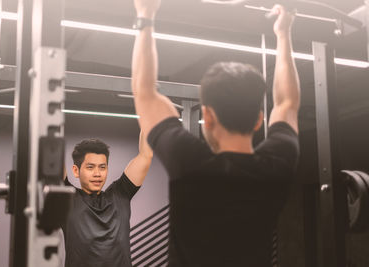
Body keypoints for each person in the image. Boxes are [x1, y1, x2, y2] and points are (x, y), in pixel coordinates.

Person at [131, 1, 300, 266]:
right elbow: (287, 102)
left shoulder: (190, 164)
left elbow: (144, 92)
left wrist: (146, 14)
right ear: (258, 120)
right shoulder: (276, 166)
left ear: (207, 117)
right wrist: (284, 33)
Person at [61, 132, 153, 267]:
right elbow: (51, 156)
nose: (97, 174)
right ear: (76, 171)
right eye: (90, 167)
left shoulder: (121, 194)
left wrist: (148, 112)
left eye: (102, 167)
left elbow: (146, 155)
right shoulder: (66, 198)